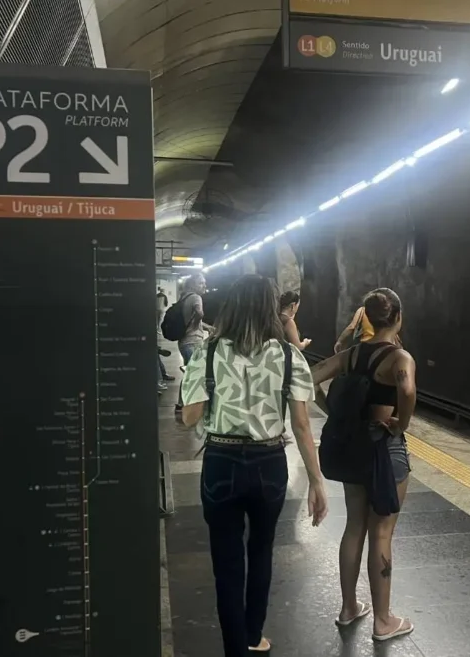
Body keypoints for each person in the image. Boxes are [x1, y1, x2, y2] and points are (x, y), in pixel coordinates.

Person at [181, 275, 328, 656]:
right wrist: (317, 482)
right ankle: (253, 634)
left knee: (226, 563)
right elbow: (301, 424)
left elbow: (192, 417)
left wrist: (202, 403)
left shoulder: (208, 352)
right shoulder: (290, 354)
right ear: (269, 308)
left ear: (230, 305)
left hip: (221, 463)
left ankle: (236, 649)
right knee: (262, 549)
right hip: (269, 463)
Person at [310, 288, 417, 643]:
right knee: (382, 532)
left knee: (355, 525)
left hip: (353, 448)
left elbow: (308, 378)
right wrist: (400, 424)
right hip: (385, 449)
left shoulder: (351, 355)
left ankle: (348, 608)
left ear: (367, 318)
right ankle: (383, 621)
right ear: (398, 317)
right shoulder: (399, 358)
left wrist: (332, 411)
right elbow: (408, 391)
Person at [176, 274, 211, 413]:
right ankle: (190, 405)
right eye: (201, 283)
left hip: (184, 341)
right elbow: (199, 313)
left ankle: (181, 403)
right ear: (194, 285)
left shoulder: (184, 297)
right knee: (195, 373)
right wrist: (197, 324)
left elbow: (190, 318)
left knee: (190, 373)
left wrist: (206, 327)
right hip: (192, 341)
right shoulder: (196, 297)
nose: (204, 286)